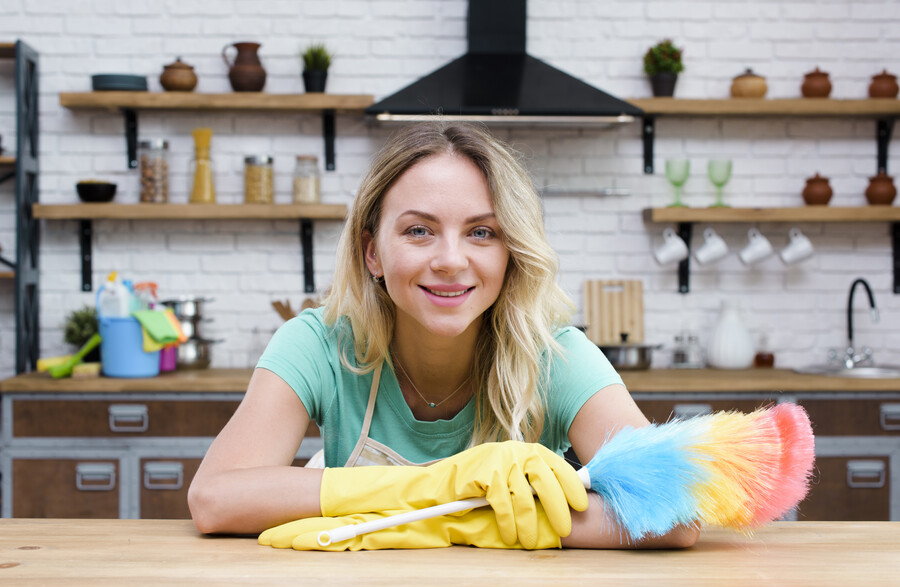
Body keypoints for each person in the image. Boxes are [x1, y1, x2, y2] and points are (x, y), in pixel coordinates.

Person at [188, 121, 698, 550]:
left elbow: (678, 517)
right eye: (418, 230)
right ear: (372, 253)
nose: (452, 260)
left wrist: (461, 519)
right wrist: (442, 486)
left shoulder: (554, 356)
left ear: (510, 251)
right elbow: (214, 499)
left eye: (482, 232)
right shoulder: (319, 345)